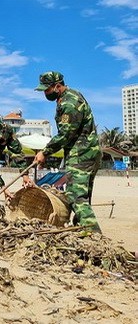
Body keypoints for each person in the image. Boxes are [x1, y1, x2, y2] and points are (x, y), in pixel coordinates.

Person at [34, 71, 102, 233]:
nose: (45, 93)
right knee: (83, 198)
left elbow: (66, 133)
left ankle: (96, 238)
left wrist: (45, 152)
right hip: (88, 153)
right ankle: (82, 231)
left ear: (57, 86)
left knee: (75, 196)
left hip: (81, 155)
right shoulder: (72, 96)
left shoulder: (69, 103)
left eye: (47, 89)